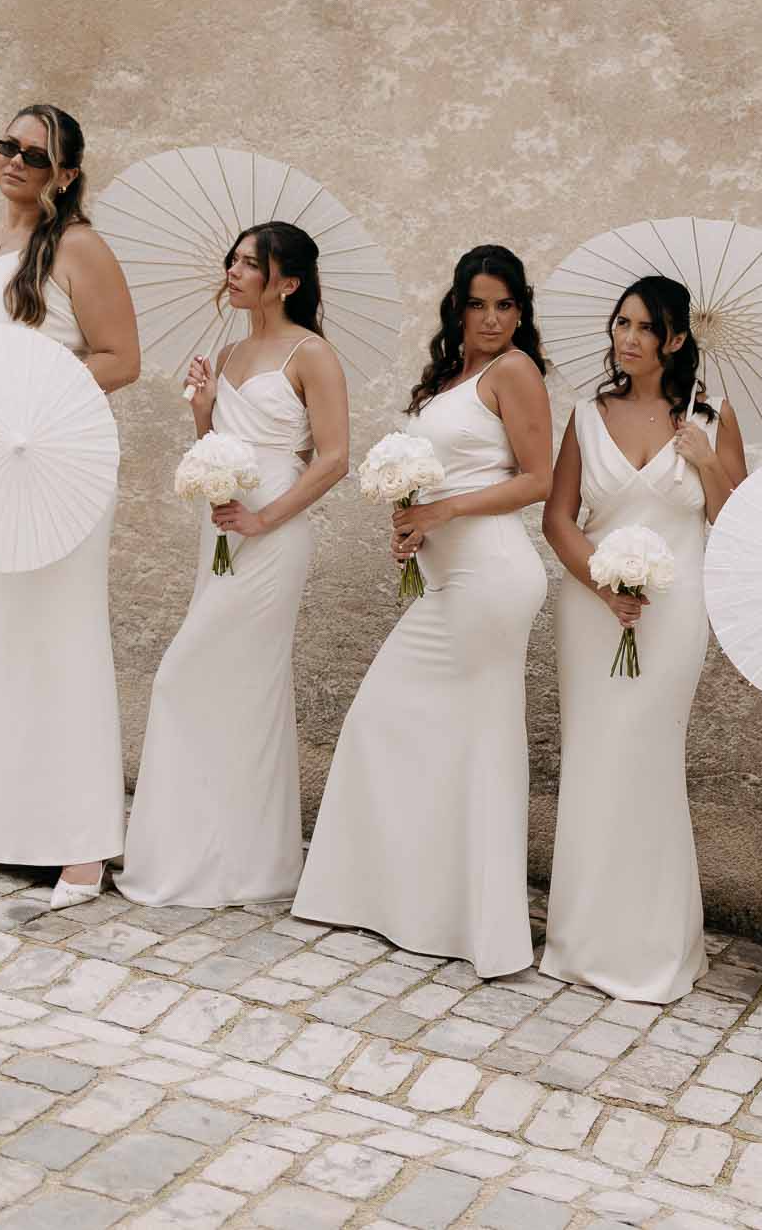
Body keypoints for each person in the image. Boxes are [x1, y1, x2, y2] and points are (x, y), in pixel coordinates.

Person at [293, 244, 553, 976]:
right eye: (478, 303)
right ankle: (414, 905)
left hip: (492, 575)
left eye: (506, 304)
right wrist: (410, 520)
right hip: (449, 577)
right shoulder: (453, 378)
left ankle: (471, 923)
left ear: (520, 310)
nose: (493, 318)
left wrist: (444, 510)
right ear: (458, 309)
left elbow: (538, 478)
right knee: (405, 727)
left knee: (457, 735)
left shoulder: (516, 371)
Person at [0, 104, 138, 908]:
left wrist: (33, 398)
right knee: (1, 638)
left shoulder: (79, 248)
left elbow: (122, 357)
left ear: (67, 174)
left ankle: (82, 845)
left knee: (64, 637)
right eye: (6, 146)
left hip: (60, 459)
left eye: (35, 155)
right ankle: (0, 823)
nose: (15, 161)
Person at [118, 223, 349, 907]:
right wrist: (202, 412)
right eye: (235, 258)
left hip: (272, 537)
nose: (235, 270)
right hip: (220, 530)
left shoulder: (314, 355)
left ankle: (228, 859)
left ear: (289, 281)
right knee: (227, 689)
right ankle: (215, 855)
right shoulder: (231, 349)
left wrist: (262, 520)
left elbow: (333, 458)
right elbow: (218, 449)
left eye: (252, 262)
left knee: (185, 676)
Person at [540, 276, 746, 1002]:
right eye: (620, 323)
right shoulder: (585, 415)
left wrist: (707, 459)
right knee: (595, 757)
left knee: (648, 757)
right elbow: (558, 519)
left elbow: (738, 519)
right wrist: (601, 583)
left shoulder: (710, 419)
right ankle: (582, 939)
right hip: (592, 612)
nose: (626, 338)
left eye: (643, 327)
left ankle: (655, 946)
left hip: (676, 611)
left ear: (676, 340)